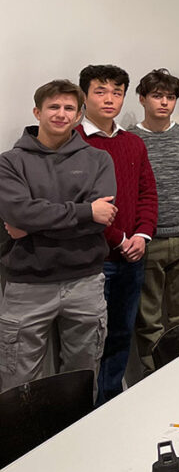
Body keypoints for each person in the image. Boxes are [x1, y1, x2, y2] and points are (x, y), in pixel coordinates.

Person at [0, 80, 117, 393]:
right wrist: (83, 211)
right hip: (27, 285)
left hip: (85, 282)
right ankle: (21, 443)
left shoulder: (98, 160)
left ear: (78, 116)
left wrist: (35, 221)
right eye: (53, 107)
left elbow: (101, 219)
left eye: (69, 108)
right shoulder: (10, 162)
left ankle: (75, 439)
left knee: (82, 376)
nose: (61, 114)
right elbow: (19, 213)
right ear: (37, 111)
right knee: (16, 380)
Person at [76, 64, 157, 403]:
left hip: (133, 255)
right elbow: (80, 200)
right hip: (94, 259)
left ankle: (110, 401)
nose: (110, 99)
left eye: (117, 92)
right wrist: (120, 239)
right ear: (84, 96)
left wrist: (142, 236)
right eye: (100, 91)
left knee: (122, 333)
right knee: (90, 341)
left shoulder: (132, 142)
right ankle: (86, 409)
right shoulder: (74, 141)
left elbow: (147, 194)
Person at [129, 69, 179, 376]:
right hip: (148, 239)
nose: (164, 103)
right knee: (148, 320)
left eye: (170, 97)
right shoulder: (131, 140)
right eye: (157, 96)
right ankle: (154, 377)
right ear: (142, 98)